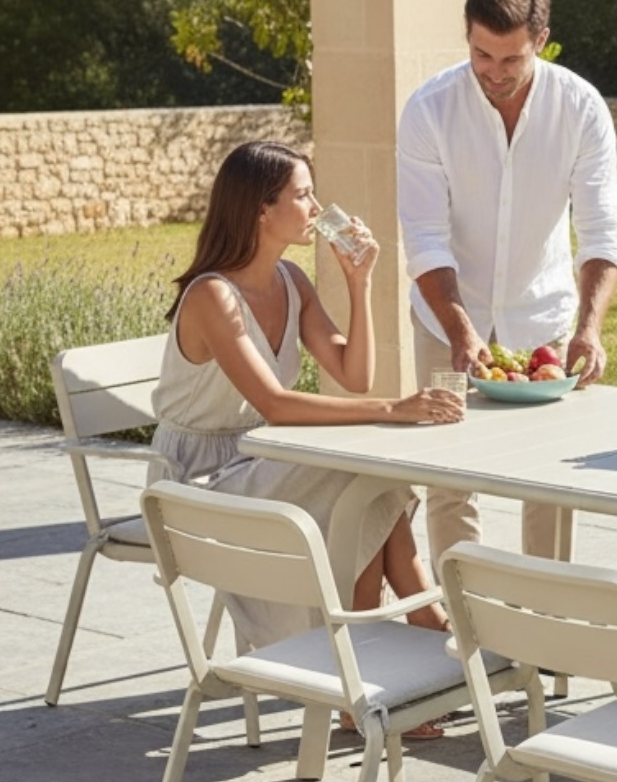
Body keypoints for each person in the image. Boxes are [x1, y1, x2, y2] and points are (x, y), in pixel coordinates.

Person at [152, 139, 461, 674]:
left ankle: (392, 647)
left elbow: (354, 375)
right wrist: (393, 409)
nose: (317, 209)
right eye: (303, 195)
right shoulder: (212, 296)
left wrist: (359, 284)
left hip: (260, 460)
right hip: (197, 481)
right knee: (355, 480)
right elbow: (274, 403)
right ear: (261, 210)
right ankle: (410, 638)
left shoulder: (291, 281)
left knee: (365, 479)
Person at [396, 0, 617, 563]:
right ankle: (466, 605)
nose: (494, 72)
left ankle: (544, 606)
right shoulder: (429, 110)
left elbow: (601, 231)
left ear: (541, 39)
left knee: (549, 477)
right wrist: (460, 330)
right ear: (467, 36)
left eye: (512, 59)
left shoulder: (580, 107)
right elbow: (424, 238)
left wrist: (589, 328)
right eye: (482, 54)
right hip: (444, 319)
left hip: (544, 318)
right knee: (449, 474)